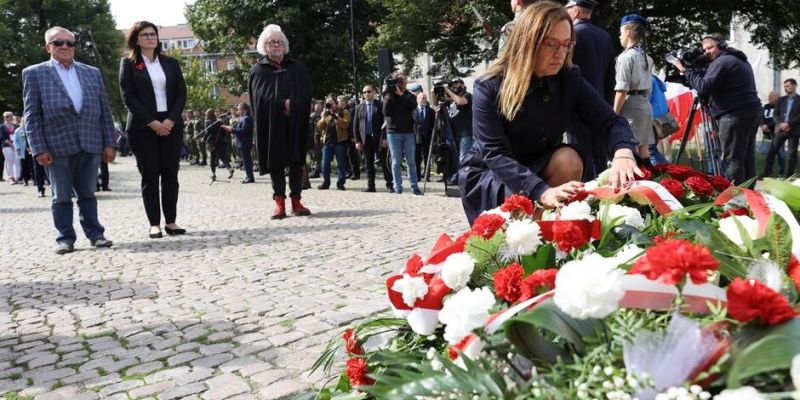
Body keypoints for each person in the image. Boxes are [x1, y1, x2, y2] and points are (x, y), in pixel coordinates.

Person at [458, 1, 641, 224]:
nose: (560, 54)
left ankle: (547, 234)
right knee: (532, 205)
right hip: (492, 172)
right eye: (551, 44)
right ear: (528, 41)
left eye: (567, 45)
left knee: (569, 160)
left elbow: (609, 120)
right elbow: (495, 153)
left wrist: (623, 152)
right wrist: (541, 191)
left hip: (539, 162)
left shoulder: (569, 78)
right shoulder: (489, 86)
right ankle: (526, 239)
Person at [22, 26, 117, 254]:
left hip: (90, 142)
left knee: (88, 194)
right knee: (61, 196)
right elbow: (31, 114)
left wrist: (109, 142)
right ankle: (65, 238)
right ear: (48, 47)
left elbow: (104, 110)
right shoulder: (33, 73)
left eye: (69, 43)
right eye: (58, 43)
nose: (65, 46)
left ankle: (96, 235)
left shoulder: (91, 72)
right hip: (56, 147)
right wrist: (38, 148)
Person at [119, 21, 188, 239]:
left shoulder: (170, 63)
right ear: (136, 39)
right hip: (143, 126)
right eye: (145, 34)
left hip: (170, 124)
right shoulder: (128, 64)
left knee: (170, 175)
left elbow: (181, 93)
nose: (150, 38)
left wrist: (170, 120)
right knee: (150, 176)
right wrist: (152, 122)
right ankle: (154, 223)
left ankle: (171, 221)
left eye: (153, 34)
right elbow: (128, 97)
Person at [670, 33, 761, 185]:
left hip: (734, 114)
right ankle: (749, 195)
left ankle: (733, 198)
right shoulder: (737, 59)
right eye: (704, 49)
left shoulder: (723, 61)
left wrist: (687, 70)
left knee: (732, 159)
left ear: (722, 45)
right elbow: (708, 82)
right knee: (746, 157)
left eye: (710, 48)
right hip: (750, 111)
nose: (706, 52)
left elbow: (704, 87)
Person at [249, 24, 312, 219]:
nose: (276, 46)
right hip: (271, 124)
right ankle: (279, 203)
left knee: (295, 160)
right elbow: (258, 98)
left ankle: (296, 200)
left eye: (279, 42)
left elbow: (306, 92)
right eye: (271, 42)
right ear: (264, 46)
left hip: (294, 122)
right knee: (275, 162)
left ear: (284, 45)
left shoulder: (297, 67)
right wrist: (280, 104)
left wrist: (293, 104)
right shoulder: (258, 70)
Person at [565, 0, 616, 179]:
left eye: (568, 9)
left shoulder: (572, 36)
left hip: (576, 106)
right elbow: (611, 76)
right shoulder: (605, 36)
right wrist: (607, 106)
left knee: (580, 156)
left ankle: (585, 200)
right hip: (600, 104)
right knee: (599, 157)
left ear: (576, 11)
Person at [613, 14, 654, 168]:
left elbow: (622, 90)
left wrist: (613, 114)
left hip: (631, 107)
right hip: (644, 105)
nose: (619, 36)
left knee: (632, 150)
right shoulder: (646, 57)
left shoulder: (626, 57)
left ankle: (638, 189)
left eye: (621, 32)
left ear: (628, 32)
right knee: (644, 150)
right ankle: (652, 183)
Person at [383, 72, 422, 195]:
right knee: (395, 161)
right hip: (393, 132)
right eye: (399, 81)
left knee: (411, 161)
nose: (402, 83)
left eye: (404, 81)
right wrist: (388, 95)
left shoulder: (409, 96)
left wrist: (401, 95)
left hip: (408, 132)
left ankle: (414, 187)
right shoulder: (389, 96)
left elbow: (412, 105)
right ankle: (397, 187)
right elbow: (386, 112)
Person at [354, 84, 393, 192]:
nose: (367, 94)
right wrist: (357, 140)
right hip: (365, 139)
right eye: (365, 92)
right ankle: (371, 185)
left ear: (374, 92)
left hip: (379, 138)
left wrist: (385, 138)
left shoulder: (380, 105)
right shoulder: (359, 107)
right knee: (368, 163)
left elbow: (386, 122)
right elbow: (355, 125)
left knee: (384, 163)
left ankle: (390, 184)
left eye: (369, 91)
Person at [764, 79, 800, 178]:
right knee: (772, 151)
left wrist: (788, 124)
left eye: (787, 86)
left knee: (792, 153)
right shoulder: (781, 100)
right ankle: (767, 173)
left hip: (793, 130)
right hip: (780, 130)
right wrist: (781, 124)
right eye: (784, 86)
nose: (785, 88)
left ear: (794, 86)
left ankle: (789, 175)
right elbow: (775, 114)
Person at [317, 96, 351, 191]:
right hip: (327, 143)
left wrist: (335, 116)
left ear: (336, 103)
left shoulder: (343, 112)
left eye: (331, 103)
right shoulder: (326, 114)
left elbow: (346, 124)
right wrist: (323, 117)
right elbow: (319, 127)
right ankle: (326, 183)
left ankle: (340, 184)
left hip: (340, 143)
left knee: (341, 164)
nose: (330, 106)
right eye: (328, 104)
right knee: (325, 165)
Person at [223, 103, 255, 183]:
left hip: (245, 143)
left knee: (247, 160)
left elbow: (244, 130)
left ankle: (250, 177)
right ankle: (248, 176)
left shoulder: (247, 118)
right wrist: (231, 128)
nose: (237, 111)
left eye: (239, 109)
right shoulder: (242, 118)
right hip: (241, 142)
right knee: (245, 161)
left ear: (243, 110)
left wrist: (231, 130)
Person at [760, 91, 785, 176]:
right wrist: (762, 125)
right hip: (768, 134)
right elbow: (761, 117)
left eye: (772, 96)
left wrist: (768, 125)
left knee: (781, 154)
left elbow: (778, 119)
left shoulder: (781, 107)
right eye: (769, 96)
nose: (769, 97)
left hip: (778, 133)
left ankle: (782, 173)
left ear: (777, 97)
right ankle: (768, 172)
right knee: (770, 154)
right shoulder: (766, 106)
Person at [203, 109, 232, 182]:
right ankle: (229, 168)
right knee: (223, 156)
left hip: (213, 142)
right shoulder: (219, 121)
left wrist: (203, 139)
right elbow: (223, 131)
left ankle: (213, 174)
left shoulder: (208, 122)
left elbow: (207, 132)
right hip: (221, 141)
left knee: (212, 158)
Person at [648, 74, 671, 165]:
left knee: (651, 150)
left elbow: (646, 99)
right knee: (654, 149)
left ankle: (664, 170)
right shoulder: (656, 80)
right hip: (662, 117)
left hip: (653, 119)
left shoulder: (648, 79)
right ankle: (667, 168)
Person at [413, 91, 435, 181]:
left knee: (427, 156)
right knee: (417, 157)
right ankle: (417, 175)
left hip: (428, 137)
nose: (424, 100)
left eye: (425, 98)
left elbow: (433, 124)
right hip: (416, 137)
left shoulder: (431, 111)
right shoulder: (413, 111)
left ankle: (426, 176)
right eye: (422, 98)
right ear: (417, 100)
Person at [1, 111, 19, 184]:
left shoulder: (16, 126)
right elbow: (3, 137)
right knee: (9, 162)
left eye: (9, 116)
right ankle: (11, 178)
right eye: (6, 116)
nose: (7, 118)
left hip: (17, 146)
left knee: (17, 162)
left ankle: (17, 177)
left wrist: (16, 145)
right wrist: (12, 145)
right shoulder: (2, 127)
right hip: (6, 146)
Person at [12, 117, 31, 186]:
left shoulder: (30, 129)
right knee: (24, 165)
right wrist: (17, 148)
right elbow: (15, 141)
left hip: (31, 150)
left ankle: (34, 180)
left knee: (32, 165)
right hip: (23, 150)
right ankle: (25, 180)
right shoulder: (18, 130)